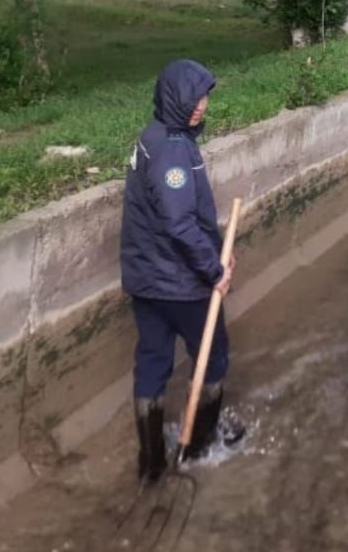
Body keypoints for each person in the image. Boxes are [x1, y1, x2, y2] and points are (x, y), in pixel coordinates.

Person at [120, 58, 244, 484]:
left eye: (205, 96)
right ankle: (199, 444)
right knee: (212, 354)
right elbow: (178, 222)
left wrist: (215, 253)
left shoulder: (154, 136)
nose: (201, 106)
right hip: (180, 283)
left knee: (152, 362)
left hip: (145, 279)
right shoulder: (173, 150)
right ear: (174, 98)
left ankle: (151, 463)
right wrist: (213, 270)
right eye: (194, 98)